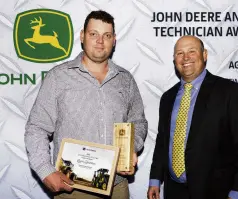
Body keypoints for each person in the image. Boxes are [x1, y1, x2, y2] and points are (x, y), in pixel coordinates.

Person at [24, 10, 148, 199]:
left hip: (118, 187)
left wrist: (132, 146)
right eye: (93, 34)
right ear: (82, 36)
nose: (100, 41)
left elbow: (138, 121)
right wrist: (44, 169)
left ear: (114, 40)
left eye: (107, 35)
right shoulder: (58, 77)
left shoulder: (125, 80)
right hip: (74, 188)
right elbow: (37, 127)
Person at [147, 35, 238, 199]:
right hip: (174, 192)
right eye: (179, 53)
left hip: (216, 192)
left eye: (192, 51)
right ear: (174, 59)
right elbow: (163, 141)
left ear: (204, 55)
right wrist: (155, 180)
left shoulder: (230, 92)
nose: (185, 58)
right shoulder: (168, 98)